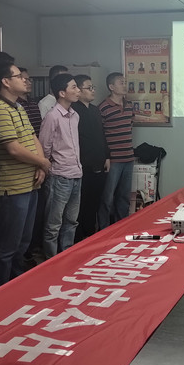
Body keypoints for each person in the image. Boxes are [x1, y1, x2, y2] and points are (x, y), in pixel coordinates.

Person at [0, 63, 50, 288]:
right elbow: (13, 148)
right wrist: (42, 162)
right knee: (6, 247)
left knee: (23, 243)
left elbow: (33, 138)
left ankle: (16, 286)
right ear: (5, 81)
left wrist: (41, 165)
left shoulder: (19, 107)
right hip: (12, 188)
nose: (25, 80)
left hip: (30, 184)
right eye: (19, 77)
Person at [39, 74, 83, 257]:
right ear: (62, 93)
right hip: (59, 176)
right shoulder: (52, 116)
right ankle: (51, 259)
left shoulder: (75, 115)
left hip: (76, 174)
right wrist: (47, 169)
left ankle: (66, 255)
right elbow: (44, 147)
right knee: (53, 224)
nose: (78, 90)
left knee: (71, 221)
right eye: (74, 87)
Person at [71, 74, 110, 241]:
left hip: (99, 162)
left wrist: (107, 156)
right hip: (82, 164)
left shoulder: (95, 110)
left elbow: (102, 135)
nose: (93, 91)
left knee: (95, 201)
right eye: (89, 88)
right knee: (81, 203)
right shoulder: (73, 111)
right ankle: (79, 237)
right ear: (79, 90)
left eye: (93, 87)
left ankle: (90, 233)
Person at [98, 72, 135, 230]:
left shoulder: (129, 105)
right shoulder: (103, 108)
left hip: (128, 157)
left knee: (124, 197)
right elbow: (100, 135)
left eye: (125, 82)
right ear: (111, 87)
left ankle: (121, 228)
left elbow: (129, 126)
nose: (125, 85)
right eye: (121, 82)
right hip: (113, 160)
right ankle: (104, 229)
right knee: (107, 198)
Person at [18, 67, 42, 136]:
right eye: (25, 80)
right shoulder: (15, 104)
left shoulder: (33, 103)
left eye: (29, 80)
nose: (29, 83)